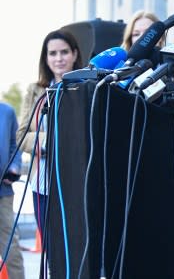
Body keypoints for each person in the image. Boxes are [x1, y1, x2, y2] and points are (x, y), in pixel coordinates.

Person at [17, 30, 82, 240]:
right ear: (45, 58)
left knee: (76, 248)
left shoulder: (87, 88)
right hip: (43, 185)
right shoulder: (36, 90)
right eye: (52, 53)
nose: (59, 58)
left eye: (64, 52)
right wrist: (53, 141)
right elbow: (21, 137)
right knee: (51, 251)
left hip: (78, 184)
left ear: (74, 54)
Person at [0, 102, 25, 279]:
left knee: (11, 249)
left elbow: (14, 146)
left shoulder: (7, 111)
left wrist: (14, 167)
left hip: (3, 192)